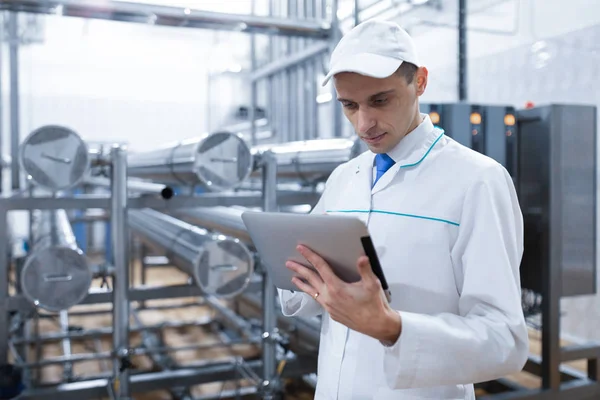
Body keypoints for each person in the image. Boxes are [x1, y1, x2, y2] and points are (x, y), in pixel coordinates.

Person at [277, 19, 529, 399]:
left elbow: (504, 340)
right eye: (349, 105)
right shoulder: (345, 178)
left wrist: (392, 328)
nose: (364, 123)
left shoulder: (477, 180)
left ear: (420, 82)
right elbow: (304, 291)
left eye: (380, 100)